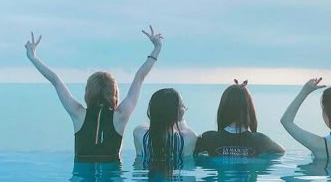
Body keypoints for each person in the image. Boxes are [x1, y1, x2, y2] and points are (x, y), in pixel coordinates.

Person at [25, 25, 163, 162]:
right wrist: (157, 48)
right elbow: (140, 77)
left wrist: (33, 57)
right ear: (114, 92)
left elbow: (55, 80)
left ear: (88, 92)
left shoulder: (78, 113)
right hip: (112, 181)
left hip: (82, 180)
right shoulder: (121, 115)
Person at [194, 81, 284, 158]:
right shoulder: (261, 141)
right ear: (249, 110)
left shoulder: (208, 139)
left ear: (223, 109)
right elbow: (281, 151)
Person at [133, 88, 198, 164]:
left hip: (148, 175)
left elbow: (138, 166)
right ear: (176, 112)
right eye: (182, 105)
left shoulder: (139, 133)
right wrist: (180, 120)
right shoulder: (188, 138)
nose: (185, 108)